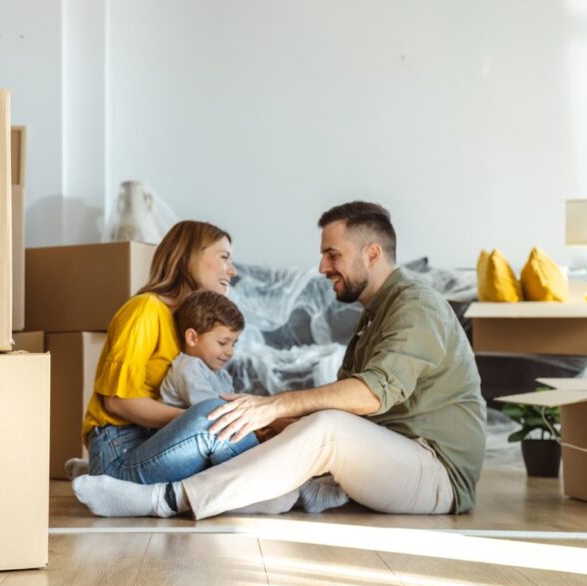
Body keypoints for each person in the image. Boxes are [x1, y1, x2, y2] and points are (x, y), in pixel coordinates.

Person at [73, 201, 487, 519]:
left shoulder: (416, 306)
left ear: (372, 253)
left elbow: (368, 397)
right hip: (401, 457)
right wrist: (271, 421)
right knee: (285, 422)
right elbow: (122, 402)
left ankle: (164, 500)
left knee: (323, 426)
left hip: (436, 471)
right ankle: (269, 489)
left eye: (333, 254)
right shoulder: (374, 317)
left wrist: (273, 407)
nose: (322, 267)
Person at [72, 221, 300, 515]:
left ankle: (266, 485)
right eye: (224, 257)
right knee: (212, 417)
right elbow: (117, 401)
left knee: (217, 417)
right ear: (189, 257)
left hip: (150, 443)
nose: (233, 271)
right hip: (120, 449)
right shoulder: (144, 310)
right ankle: (273, 489)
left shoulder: (187, 327)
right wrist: (197, 421)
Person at [159, 290, 245, 409]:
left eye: (233, 344)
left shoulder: (222, 374)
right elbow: (211, 408)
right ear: (192, 338)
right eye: (223, 343)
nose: (230, 352)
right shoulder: (187, 367)